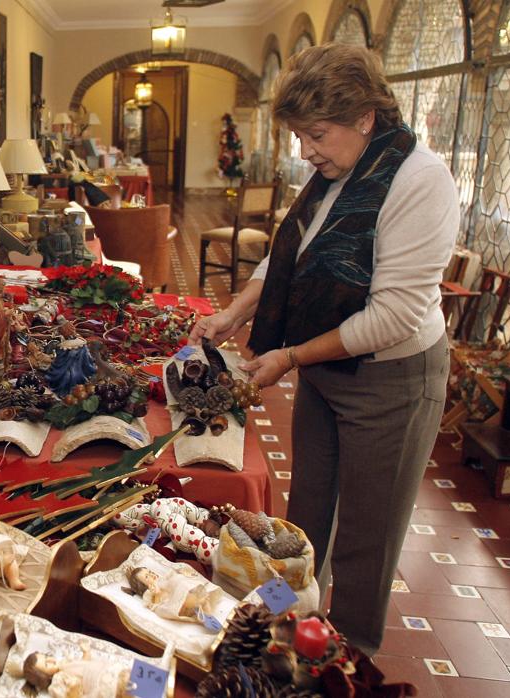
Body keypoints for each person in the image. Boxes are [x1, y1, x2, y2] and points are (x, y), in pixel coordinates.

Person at [187, 44, 457, 653]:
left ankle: (345, 663)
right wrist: (235, 311)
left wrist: (291, 356)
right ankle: (284, 633)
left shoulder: (420, 181)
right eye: (300, 136)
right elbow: (292, 262)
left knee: (367, 537)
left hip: (392, 379)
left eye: (316, 135)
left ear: (365, 117)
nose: (305, 151)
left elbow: (392, 316)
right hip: (328, 367)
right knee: (305, 522)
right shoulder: (340, 169)